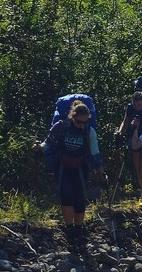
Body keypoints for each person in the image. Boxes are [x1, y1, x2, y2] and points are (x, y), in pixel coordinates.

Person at [42, 97, 101, 256]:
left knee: (80, 198)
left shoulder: (89, 130)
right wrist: (38, 148)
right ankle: (70, 231)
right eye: (79, 122)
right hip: (63, 167)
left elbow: (95, 151)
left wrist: (101, 170)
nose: (82, 125)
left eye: (84, 122)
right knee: (66, 196)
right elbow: (48, 143)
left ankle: (79, 230)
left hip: (81, 168)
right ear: (72, 117)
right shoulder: (60, 126)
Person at [116, 84, 142, 206]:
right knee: (138, 169)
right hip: (133, 139)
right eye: (135, 104)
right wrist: (120, 132)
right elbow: (125, 121)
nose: (137, 107)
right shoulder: (130, 108)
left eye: (139, 105)